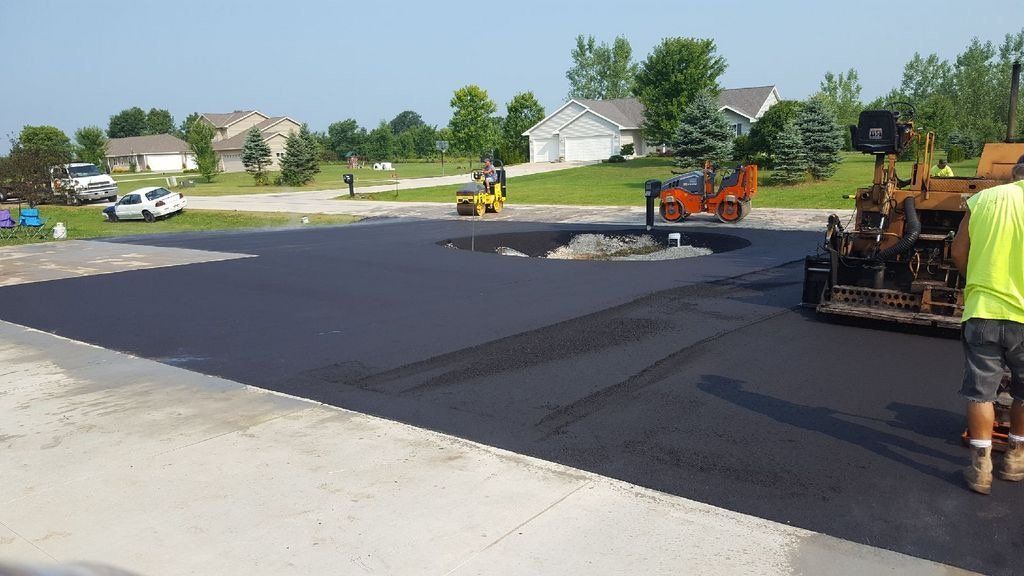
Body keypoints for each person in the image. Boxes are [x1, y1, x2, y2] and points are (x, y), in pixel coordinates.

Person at [950, 156, 1024, 495]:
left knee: (981, 392)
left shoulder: (983, 200)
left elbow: (959, 251)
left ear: (1014, 173)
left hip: (983, 311)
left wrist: (974, 282)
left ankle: (981, 468)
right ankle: (1016, 458)